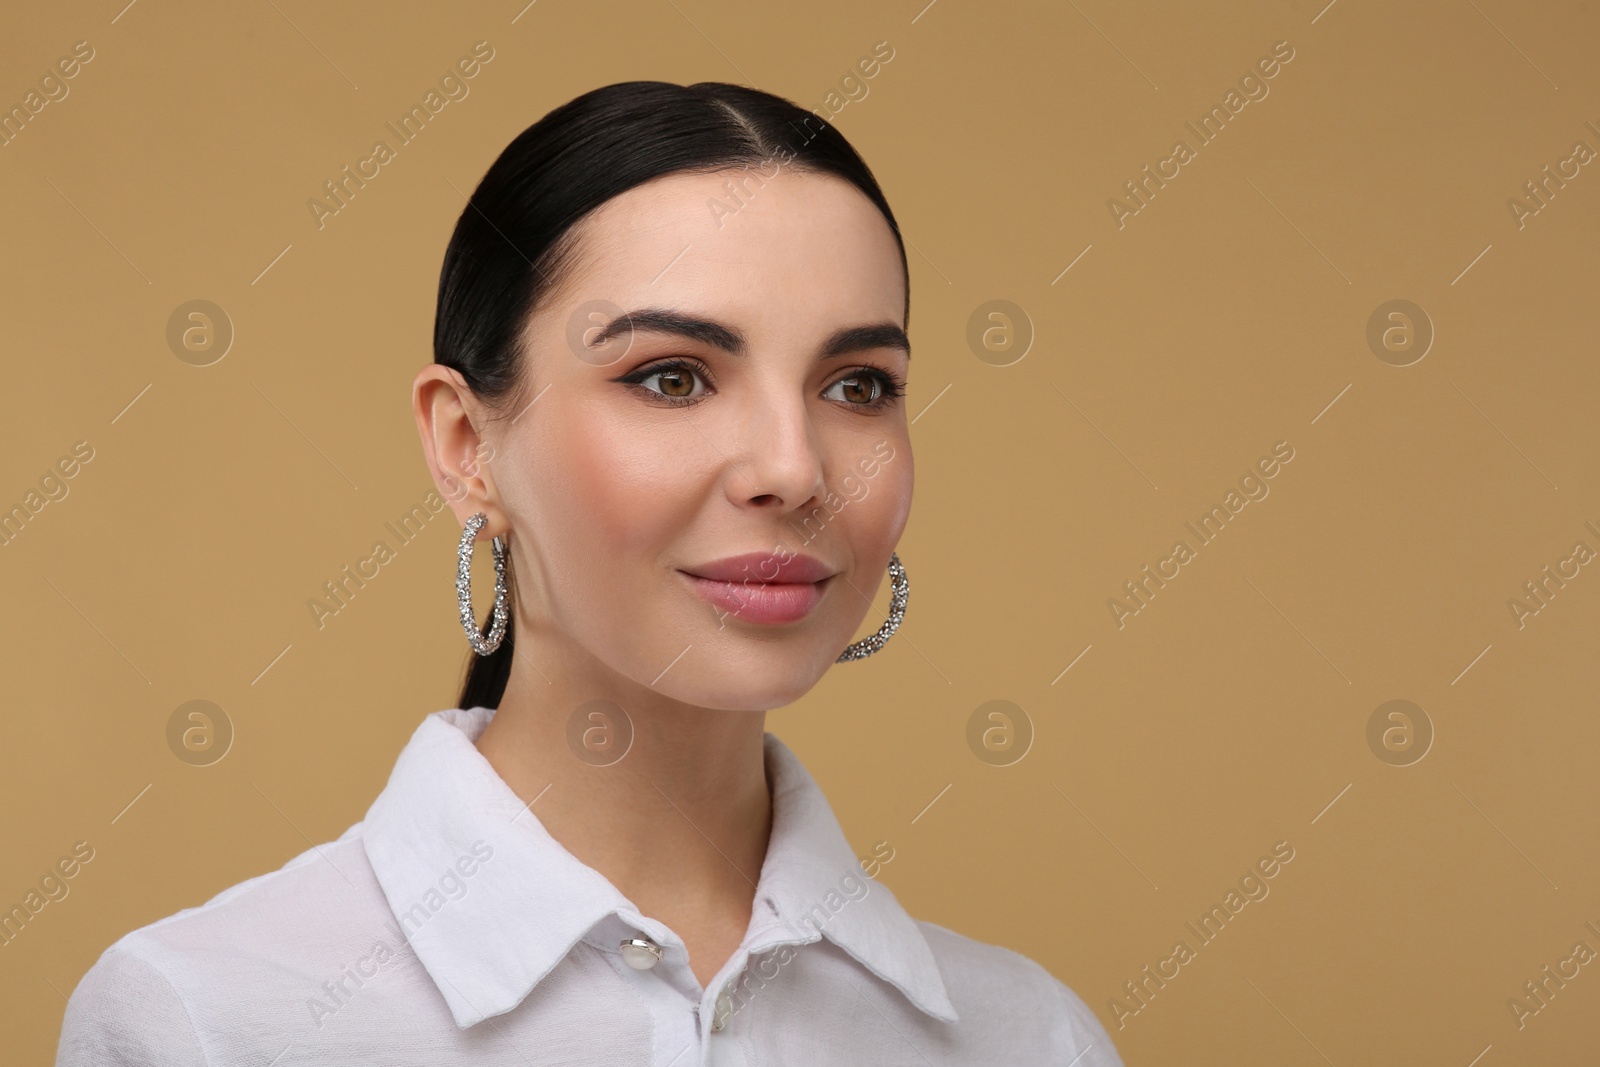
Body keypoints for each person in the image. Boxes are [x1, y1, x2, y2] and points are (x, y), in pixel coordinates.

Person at [56, 80, 1124, 1066]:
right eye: (671, 376)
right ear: (466, 444)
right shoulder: (206, 1019)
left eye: (856, 385)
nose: (795, 470)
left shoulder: (1025, 1034)